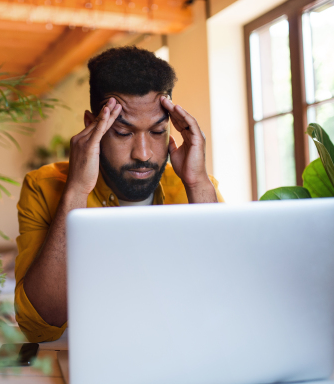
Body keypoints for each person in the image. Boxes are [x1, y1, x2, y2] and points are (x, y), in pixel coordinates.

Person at [15, 46, 225, 343]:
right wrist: (76, 191)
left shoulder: (197, 187)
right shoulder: (44, 186)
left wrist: (198, 183)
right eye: (123, 133)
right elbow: (40, 324)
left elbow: (225, 298)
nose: (143, 154)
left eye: (157, 132)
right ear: (92, 126)